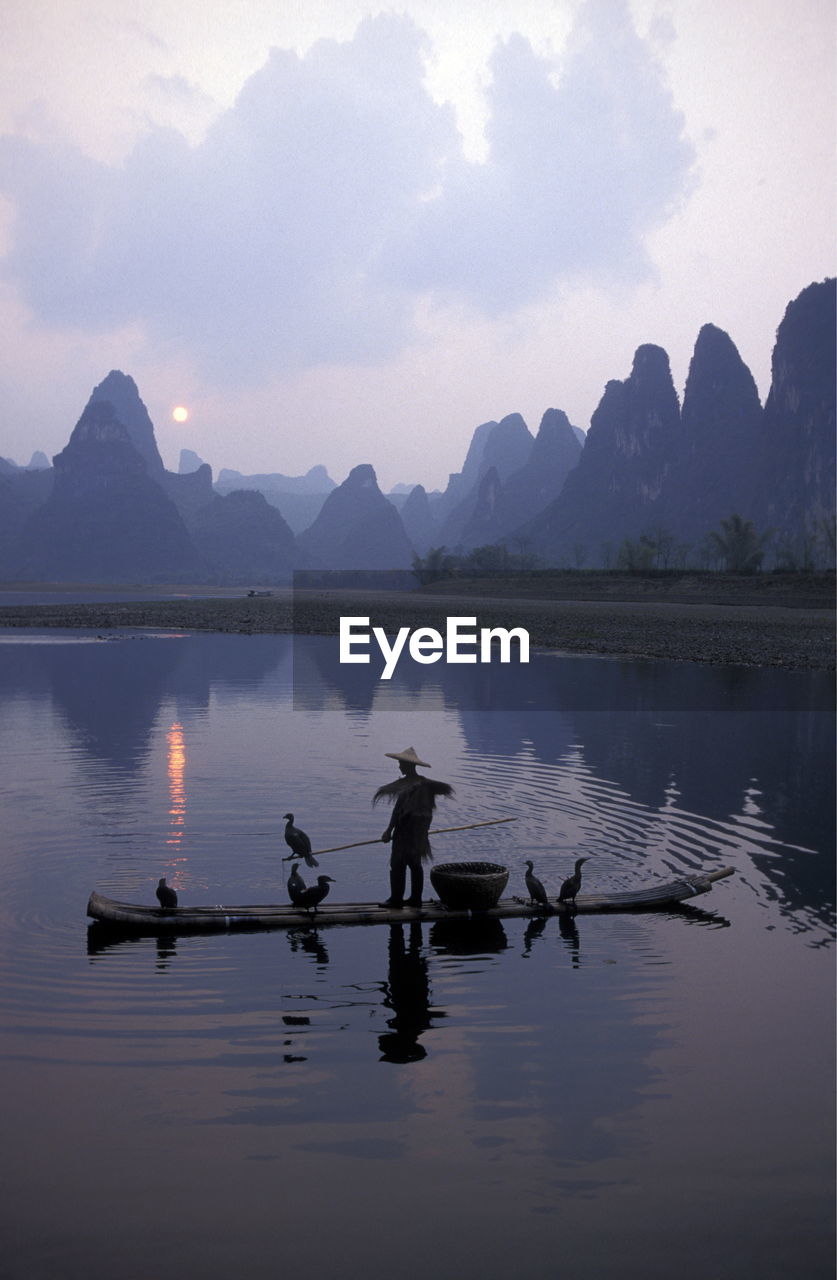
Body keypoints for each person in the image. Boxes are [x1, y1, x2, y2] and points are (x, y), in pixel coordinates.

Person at [373, 747, 454, 908]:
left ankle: (399, 900)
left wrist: (390, 830)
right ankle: (412, 899)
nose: (399, 767)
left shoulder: (419, 786)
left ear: (408, 766)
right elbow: (400, 810)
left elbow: (404, 813)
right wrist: (390, 830)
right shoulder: (416, 785)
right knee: (411, 864)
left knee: (400, 863)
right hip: (414, 833)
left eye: (401, 764)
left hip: (409, 832)